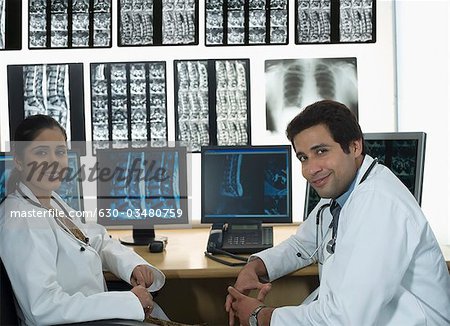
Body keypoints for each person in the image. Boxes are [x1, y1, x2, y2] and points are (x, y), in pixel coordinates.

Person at [225, 100, 450, 325]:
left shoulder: (379, 204)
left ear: (354, 147)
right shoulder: (341, 195)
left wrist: (261, 316)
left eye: (321, 151)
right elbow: (302, 245)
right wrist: (255, 266)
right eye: (303, 157)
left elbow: (346, 319)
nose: (310, 170)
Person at [0, 115, 168, 325]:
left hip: (90, 316)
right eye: (42, 152)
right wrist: (128, 301)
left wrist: (132, 266)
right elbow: (43, 307)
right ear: (19, 160)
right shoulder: (21, 220)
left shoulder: (49, 200)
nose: (53, 161)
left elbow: (91, 239)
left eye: (60, 152)